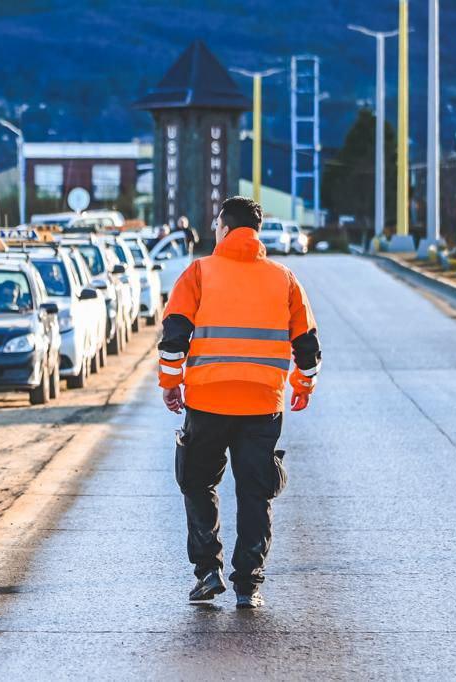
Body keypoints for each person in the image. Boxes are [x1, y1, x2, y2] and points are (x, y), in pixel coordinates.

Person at [158, 196, 321, 609]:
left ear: (225, 229)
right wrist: (302, 386)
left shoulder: (198, 272)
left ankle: (208, 572)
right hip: (263, 404)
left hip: (208, 402)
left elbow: (174, 335)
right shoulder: (284, 279)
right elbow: (308, 346)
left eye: (216, 225)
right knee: (255, 492)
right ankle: (249, 584)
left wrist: (170, 383)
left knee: (197, 482)